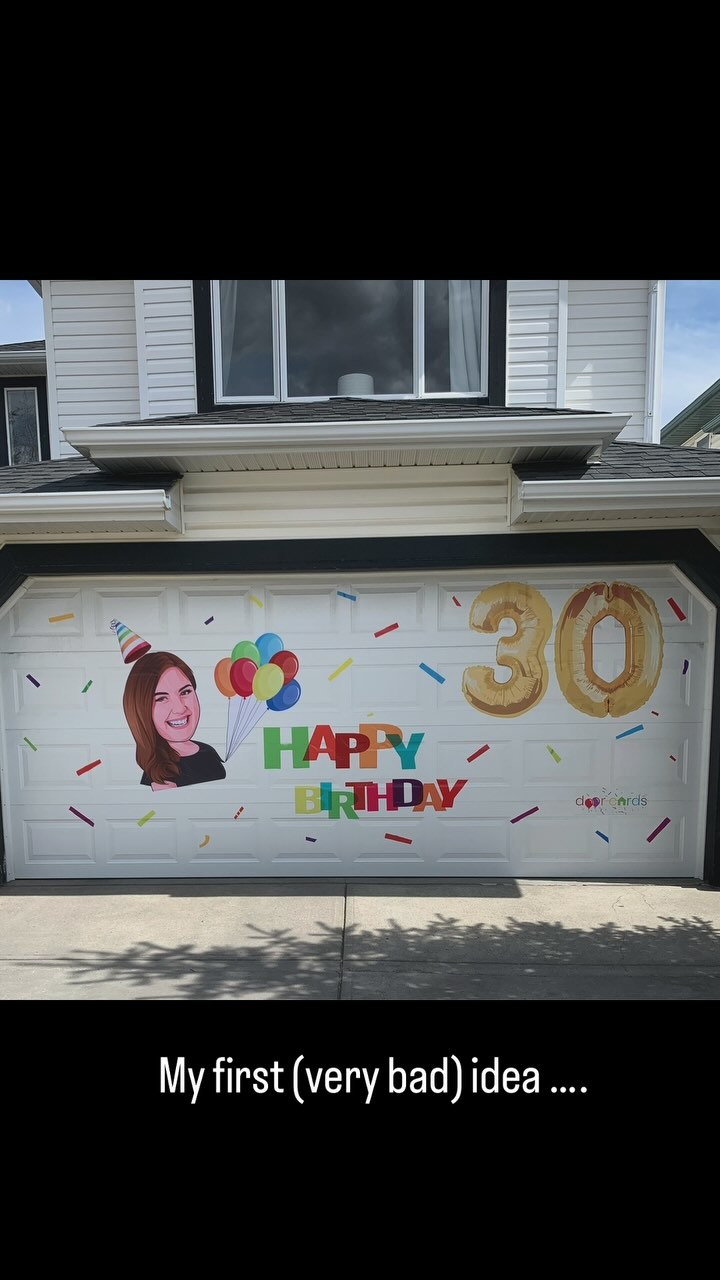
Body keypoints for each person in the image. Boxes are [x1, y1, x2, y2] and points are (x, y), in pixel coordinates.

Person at [122, 651, 226, 790]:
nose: (180, 708)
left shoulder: (208, 752)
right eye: (161, 698)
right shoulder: (160, 778)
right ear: (141, 710)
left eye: (185, 692)